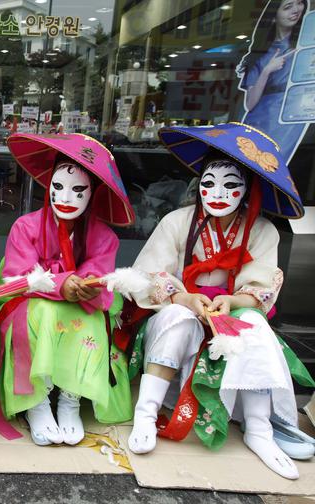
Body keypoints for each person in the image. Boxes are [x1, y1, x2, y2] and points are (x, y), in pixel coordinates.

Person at [127, 123, 313, 480]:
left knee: (254, 326)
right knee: (176, 320)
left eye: (231, 185)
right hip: (181, 308)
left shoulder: (262, 230)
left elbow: (261, 288)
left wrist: (231, 300)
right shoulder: (177, 222)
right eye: (209, 183)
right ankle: (146, 414)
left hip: (231, 310)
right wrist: (183, 296)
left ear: (246, 191)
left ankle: (260, 430)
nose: (217, 192)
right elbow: (150, 274)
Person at [0, 133, 136, 445]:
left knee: (91, 320)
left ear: (92, 193)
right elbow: (19, 275)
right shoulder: (24, 227)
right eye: (58, 187)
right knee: (39, 314)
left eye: (78, 190)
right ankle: (35, 403)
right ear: (48, 186)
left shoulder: (103, 235)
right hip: (28, 300)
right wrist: (62, 283)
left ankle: (70, 399)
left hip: (80, 304)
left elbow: (100, 270)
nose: (65, 197)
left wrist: (88, 285)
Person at [238, 0, 308, 163]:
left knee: (277, 170)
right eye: (287, 7)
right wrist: (267, 70)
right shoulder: (261, 52)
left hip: (292, 118)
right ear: (274, 16)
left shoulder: (306, 43)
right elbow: (250, 103)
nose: (296, 10)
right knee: (257, 168)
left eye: (299, 3)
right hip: (262, 120)